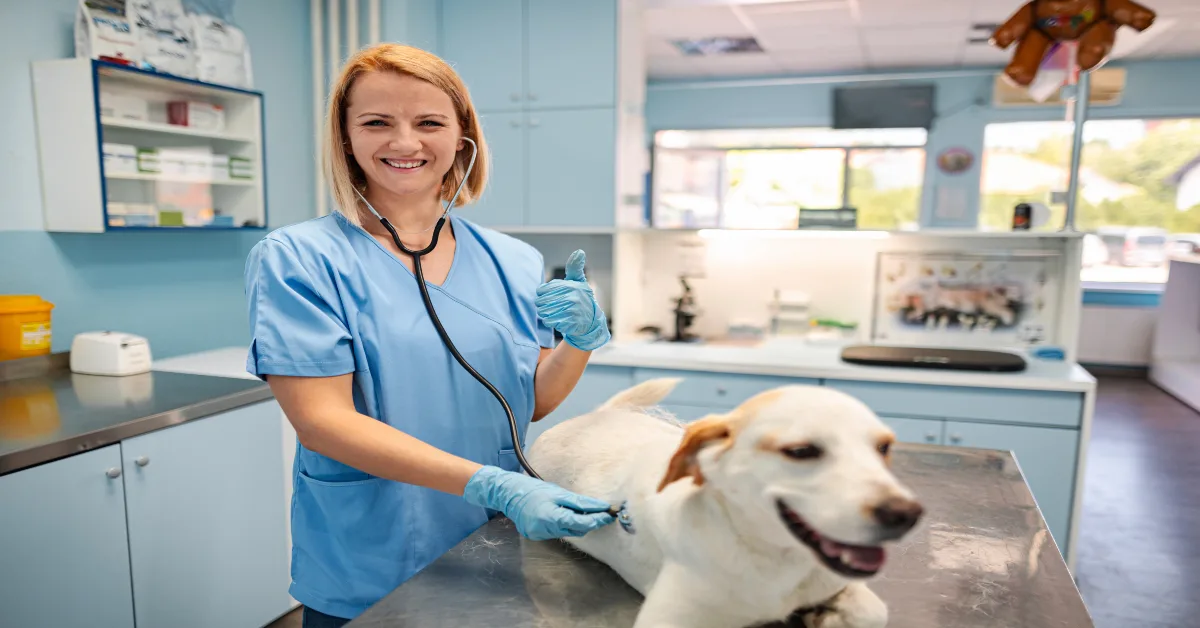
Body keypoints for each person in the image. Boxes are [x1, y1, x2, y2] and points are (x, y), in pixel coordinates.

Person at [243, 43, 616, 627]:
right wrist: (498, 486)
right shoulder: (299, 258)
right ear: (345, 139)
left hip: (492, 542)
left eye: (428, 122)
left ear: (461, 138)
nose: (405, 143)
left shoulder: (513, 260)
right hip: (370, 547)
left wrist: (581, 344)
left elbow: (531, 400)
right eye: (376, 122)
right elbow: (321, 420)